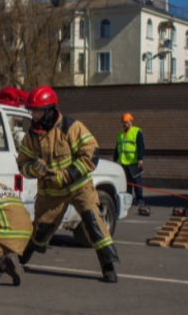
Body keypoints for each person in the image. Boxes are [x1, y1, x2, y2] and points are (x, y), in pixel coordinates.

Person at [16, 85, 120, 283]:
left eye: (37, 111)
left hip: (78, 187)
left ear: (49, 110)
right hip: (51, 192)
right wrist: (34, 169)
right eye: (32, 111)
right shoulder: (32, 136)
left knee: (93, 221)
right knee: (41, 230)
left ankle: (108, 266)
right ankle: (22, 258)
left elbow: (91, 154)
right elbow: (22, 164)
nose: (33, 115)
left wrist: (68, 175)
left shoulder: (71, 127)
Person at [114, 112, 145, 207]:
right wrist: (115, 159)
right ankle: (129, 199)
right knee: (127, 183)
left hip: (134, 162)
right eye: (123, 122)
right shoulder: (120, 134)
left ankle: (140, 199)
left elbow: (141, 146)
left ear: (131, 122)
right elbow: (117, 148)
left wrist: (140, 159)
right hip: (124, 163)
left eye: (126, 122)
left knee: (137, 182)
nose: (124, 124)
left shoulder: (137, 132)